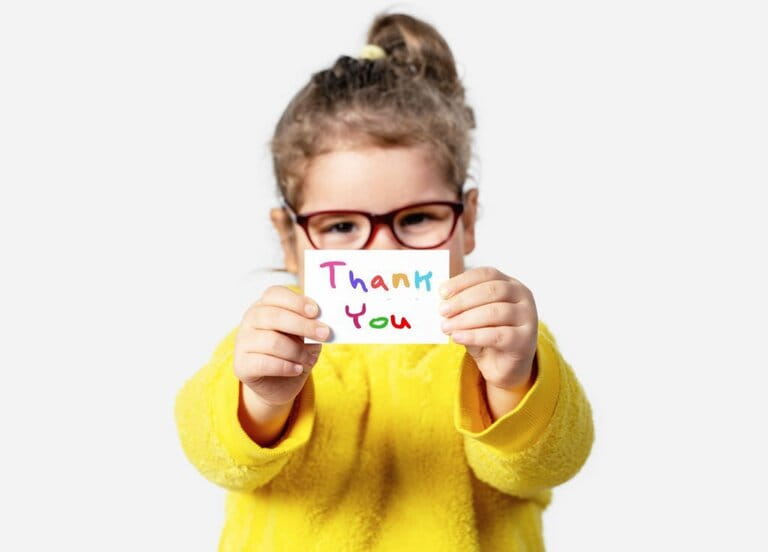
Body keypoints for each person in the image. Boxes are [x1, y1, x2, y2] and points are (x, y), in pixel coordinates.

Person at [175, 12, 594, 551]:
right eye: (343, 226)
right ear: (289, 237)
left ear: (466, 220)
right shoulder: (270, 340)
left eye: (417, 218)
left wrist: (512, 383)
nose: (383, 249)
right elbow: (212, 453)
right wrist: (261, 401)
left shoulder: (503, 338)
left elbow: (549, 464)